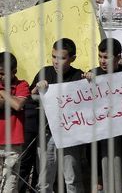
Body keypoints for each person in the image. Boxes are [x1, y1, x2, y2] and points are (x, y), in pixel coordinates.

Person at [83, 38, 122, 193]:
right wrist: (87, 81)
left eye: (107, 57)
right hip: (99, 131)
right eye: (100, 56)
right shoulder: (93, 72)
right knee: (98, 173)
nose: (103, 61)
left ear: (118, 57)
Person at [31, 38, 84, 193]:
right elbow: (29, 96)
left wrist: (91, 81)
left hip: (69, 134)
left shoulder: (78, 75)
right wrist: (37, 89)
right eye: (54, 56)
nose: (56, 61)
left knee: (72, 178)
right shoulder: (44, 72)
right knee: (44, 179)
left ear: (72, 58)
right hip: (46, 134)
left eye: (61, 58)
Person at [18, 0, 53, 193]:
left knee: (46, 161)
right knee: (26, 157)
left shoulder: (64, 44)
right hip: (31, 110)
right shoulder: (24, 39)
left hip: (54, 113)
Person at [0, 52, 30, 193]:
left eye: (4, 73)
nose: (1, 77)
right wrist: (11, 100)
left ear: (14, 72)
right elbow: (14, 103)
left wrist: (2, 92)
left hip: (13, 145)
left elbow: (18, 105)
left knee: (10, 185)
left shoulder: (22, 84)